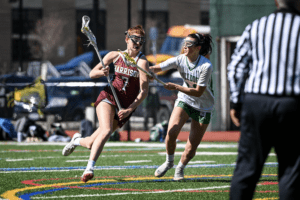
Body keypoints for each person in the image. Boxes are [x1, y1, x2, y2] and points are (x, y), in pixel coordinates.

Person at [227, 0, 300, 199]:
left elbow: (235, 67)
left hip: (256, 101)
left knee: (247, 167)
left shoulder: (257, 26)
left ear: (277, 1)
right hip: (292, 104)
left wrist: (236, 101)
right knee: (291, 170)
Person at [62, 25, 149, 183]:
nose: (138, 43)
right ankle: (89, 168)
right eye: (135, 39)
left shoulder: (142, 62)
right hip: (109, 96)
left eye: (141, 41)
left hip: (125, 106)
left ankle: (76, 140)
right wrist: (101, 72)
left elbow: (143, 92)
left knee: (90, 143)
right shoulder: (114, 56)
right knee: (107, 130)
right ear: (126, 39)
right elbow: (91, 73)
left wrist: (129, 110)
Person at [149, 33, 214, 180]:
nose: (185, 47)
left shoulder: (206, 65)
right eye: (184, 43)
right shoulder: (180, 59)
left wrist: (176, 87)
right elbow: (157, 68)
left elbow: (198, 92)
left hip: (203, 106)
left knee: (191, 149)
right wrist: (146, 70)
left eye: (189, 45)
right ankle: (169, 162)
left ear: (198, 48)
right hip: (185, 100)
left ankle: (180, 168)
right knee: (171, 132)